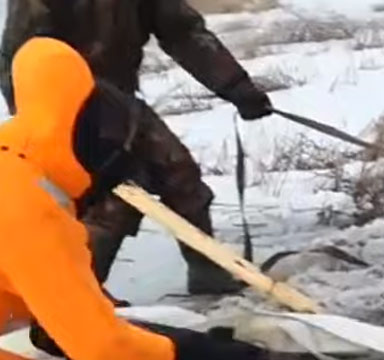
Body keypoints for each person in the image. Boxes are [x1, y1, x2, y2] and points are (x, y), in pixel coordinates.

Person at [0, 36, 272, 360]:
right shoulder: (30, 207)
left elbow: (61, 305)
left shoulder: (12, 168)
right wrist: (187, 353)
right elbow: (99, 347)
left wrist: (146, 334)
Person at [0, 0, 274, 295]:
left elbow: (182, 32)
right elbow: (19, 59)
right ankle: (75, 294)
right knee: (116, 195)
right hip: (64, 107)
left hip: (122, 102)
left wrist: (238, 89)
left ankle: (207, 270)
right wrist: (49, 125)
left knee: (179, 173)